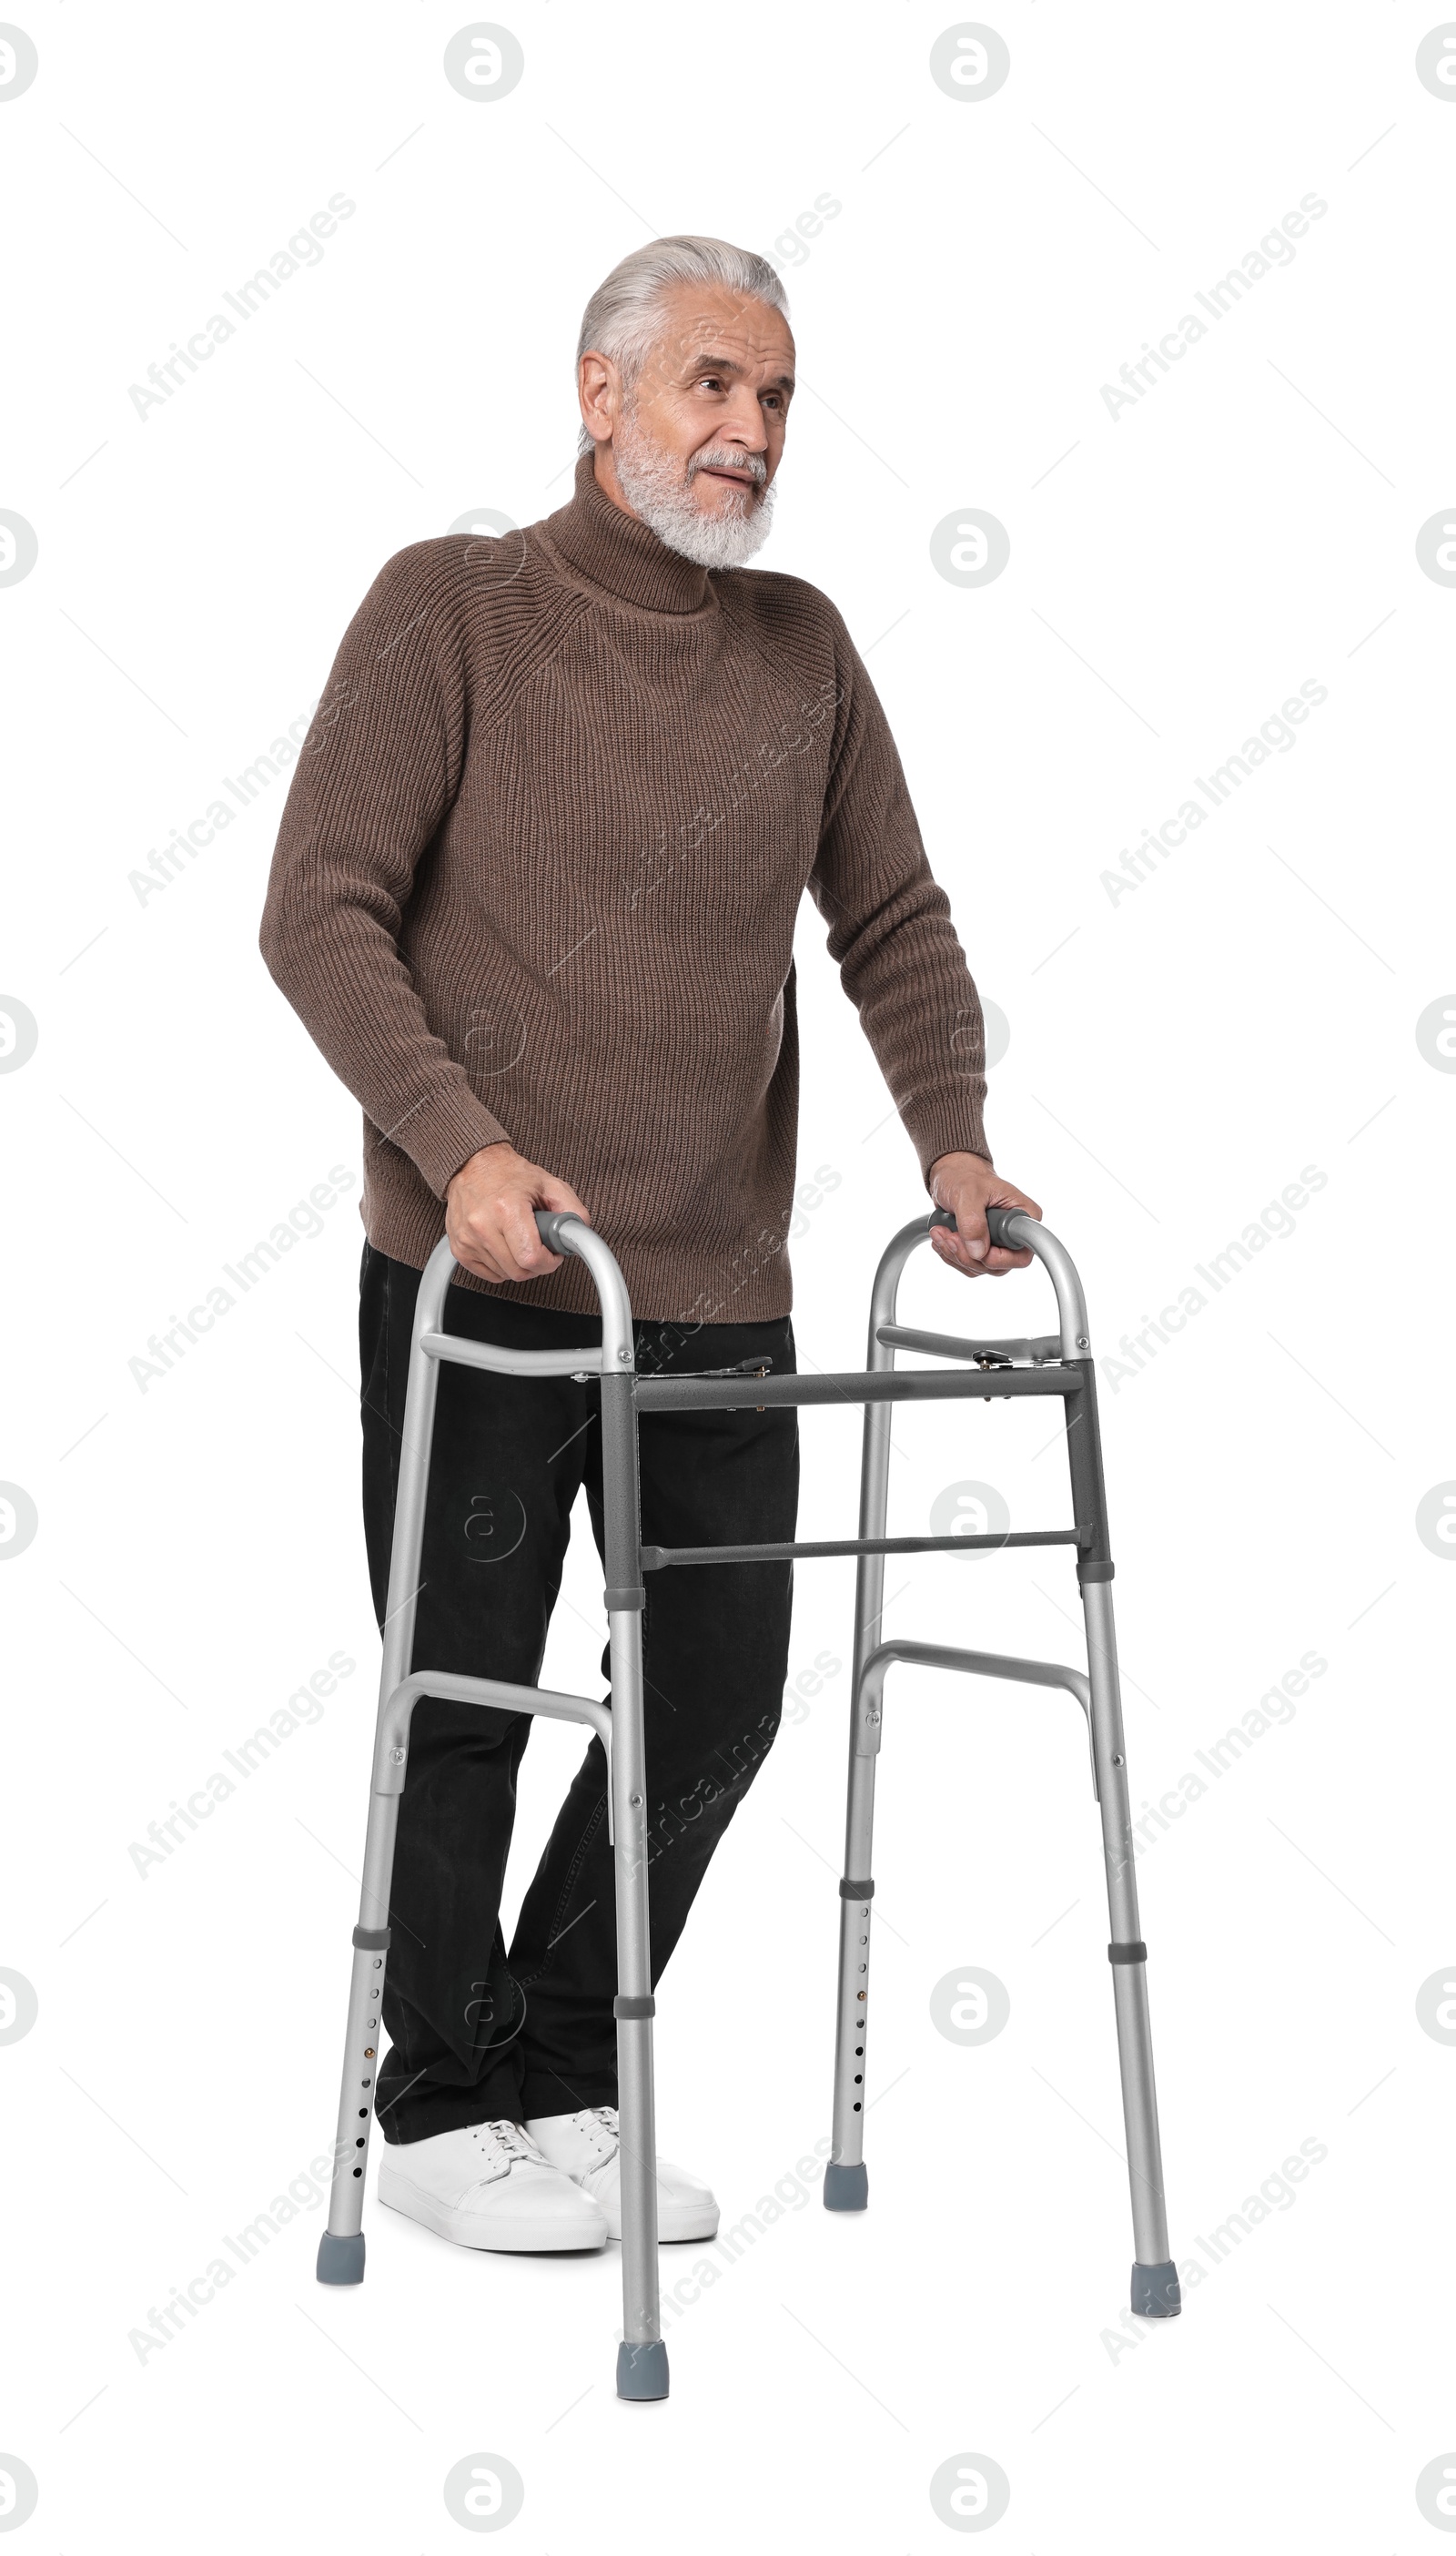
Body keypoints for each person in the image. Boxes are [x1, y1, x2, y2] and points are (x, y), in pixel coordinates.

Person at [259, 234, 1040, 2258]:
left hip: (713, 1291)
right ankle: (432, 2104)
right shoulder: (452, 610)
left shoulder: (800, 650)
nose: (747, 429)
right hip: (489, 1283)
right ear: (597, 393)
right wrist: (462, 1146)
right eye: (708, 383)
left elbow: (890, 920)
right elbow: (319, 912)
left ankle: (560, 2066)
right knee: (471, 1701)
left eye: (773, 396)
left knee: (712, 1708)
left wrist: (950, 1143)